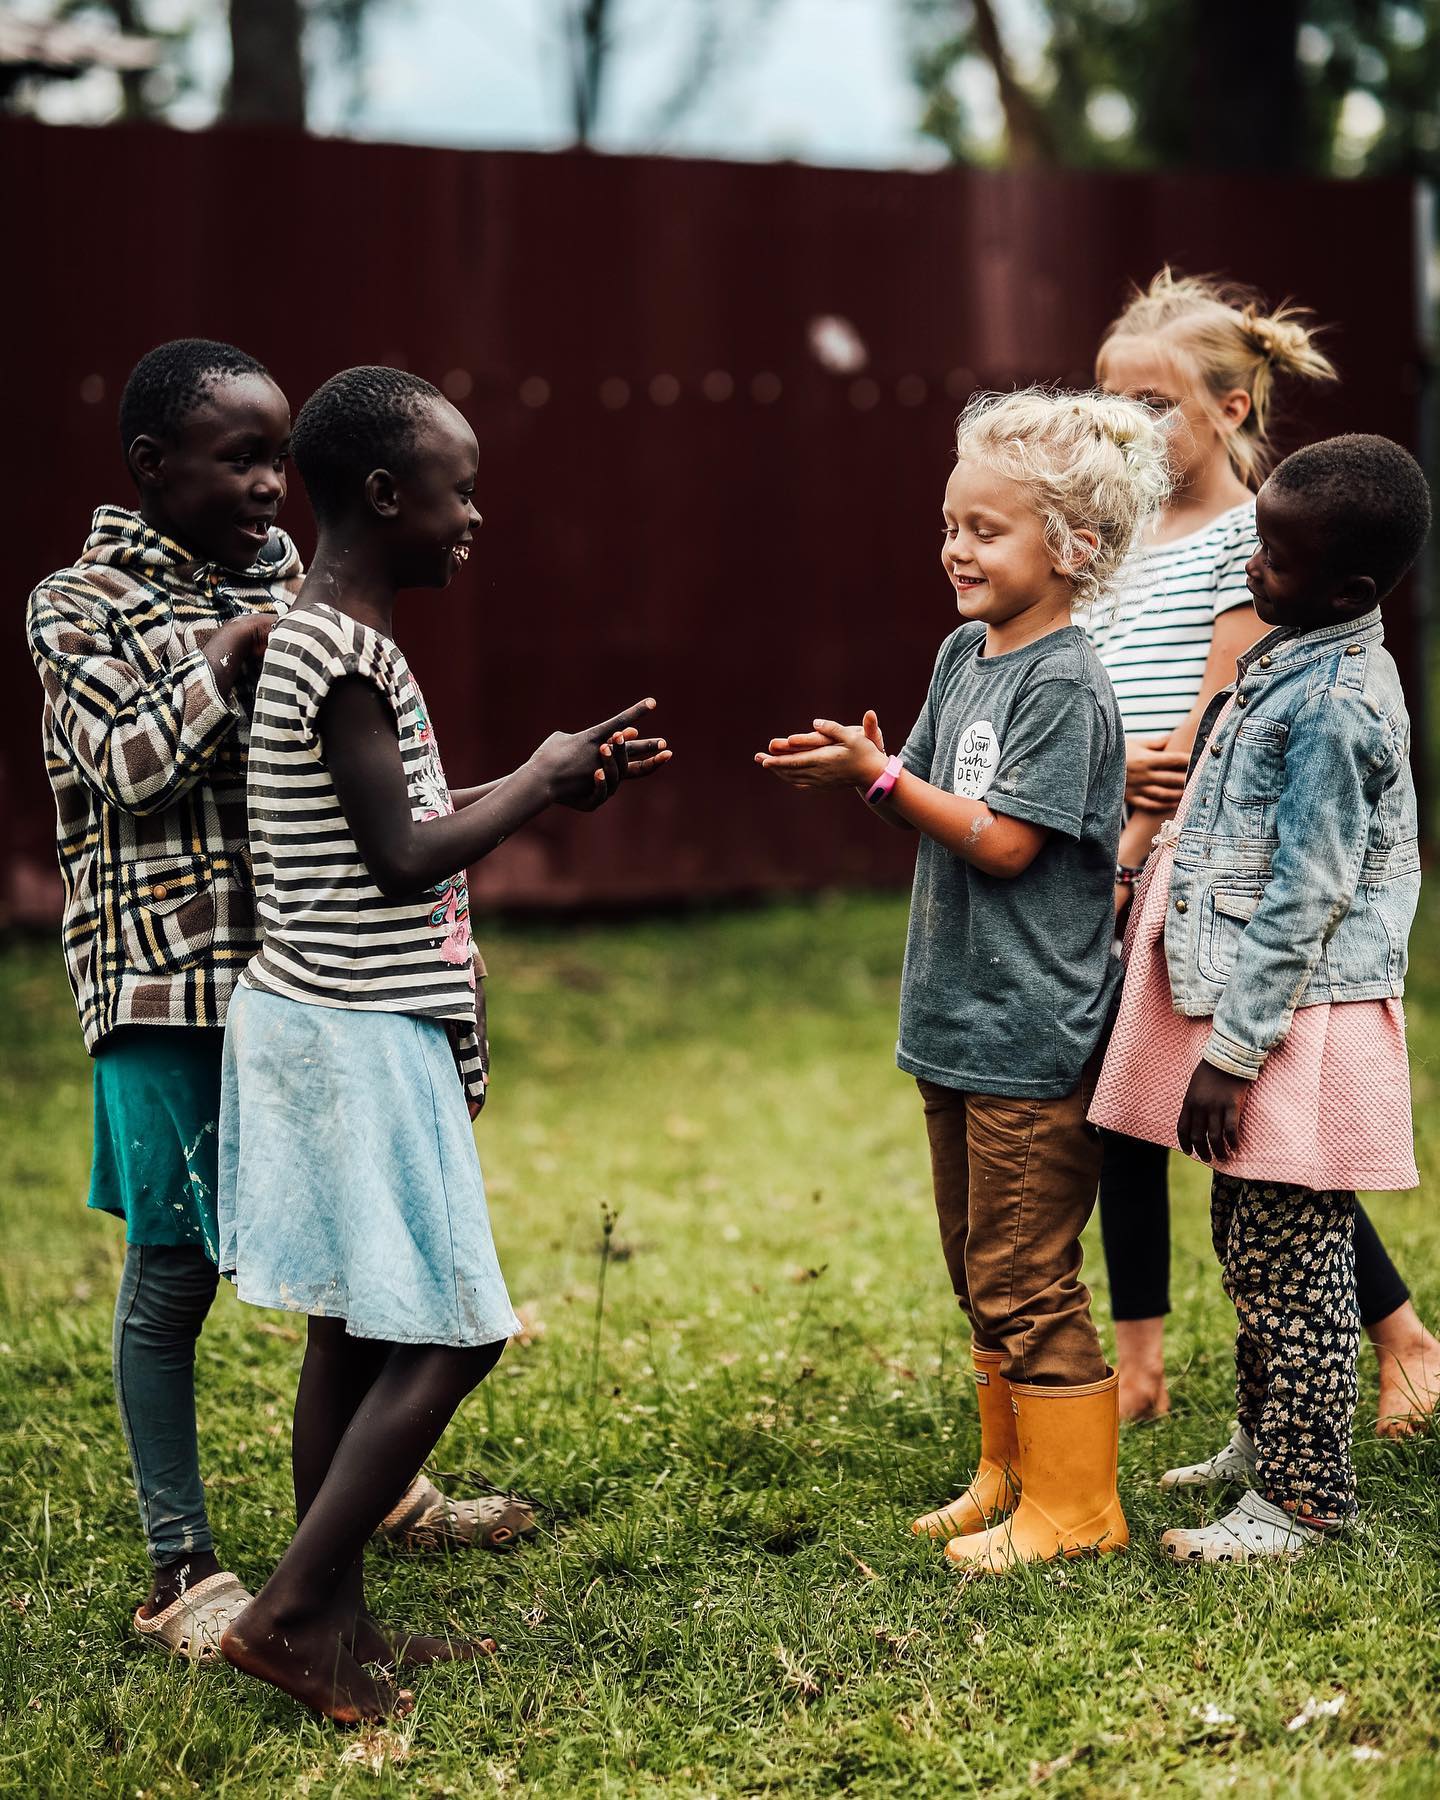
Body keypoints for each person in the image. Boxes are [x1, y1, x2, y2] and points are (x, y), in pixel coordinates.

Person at [25, 341, 535, 1667]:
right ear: (151, 469)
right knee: (175, 1268)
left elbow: (355, 796)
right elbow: (126, 768)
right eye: (237, 459)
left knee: (350, 1267)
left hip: (300, 981)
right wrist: (230, 658)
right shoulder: (73, 606)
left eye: (274, 459)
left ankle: (368, 1511)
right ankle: (180, 1563)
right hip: (160, 987)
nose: (265, 488)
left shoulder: (285, 579)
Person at [215, 366, 671, 1721]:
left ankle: (335, 1622)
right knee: (457, 1332)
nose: (474, 514)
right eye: (458, 488)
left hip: (319, 1014)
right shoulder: (348, 653)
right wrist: (533, 777)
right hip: (359, 1029)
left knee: (350, 1331)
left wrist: (541, 787)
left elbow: (392, 821)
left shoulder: (315, 638)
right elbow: (409, 857)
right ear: (382, 492)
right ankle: (292, 1610)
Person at [756, 387, 1169, 1573]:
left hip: (1034, 1026)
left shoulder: (1064, 683)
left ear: (1073, 547)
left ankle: (1080, 1508)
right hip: (953, 1012)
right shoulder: (963, 653)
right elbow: (938, 807)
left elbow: (1003, 840)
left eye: (987, 528)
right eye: (951, 523)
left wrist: (881, 778)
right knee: (976, 1264)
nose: (955, 547)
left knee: (1028, 1273)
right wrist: (875, 772)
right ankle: (1011, 1473)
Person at [1088, 271, 1439, 1431]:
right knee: (1124, 1106)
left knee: (1256, 1128)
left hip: (1185, 862)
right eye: (1108, 405)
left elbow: (1214, 711)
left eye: (1153, 405)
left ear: (1232, 410)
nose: (1123, 428)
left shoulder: (1263, 538)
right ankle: (1139, 1365)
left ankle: (1401, 1336)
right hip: (1114, 846)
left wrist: (1135, 844)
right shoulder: (1117, 534)